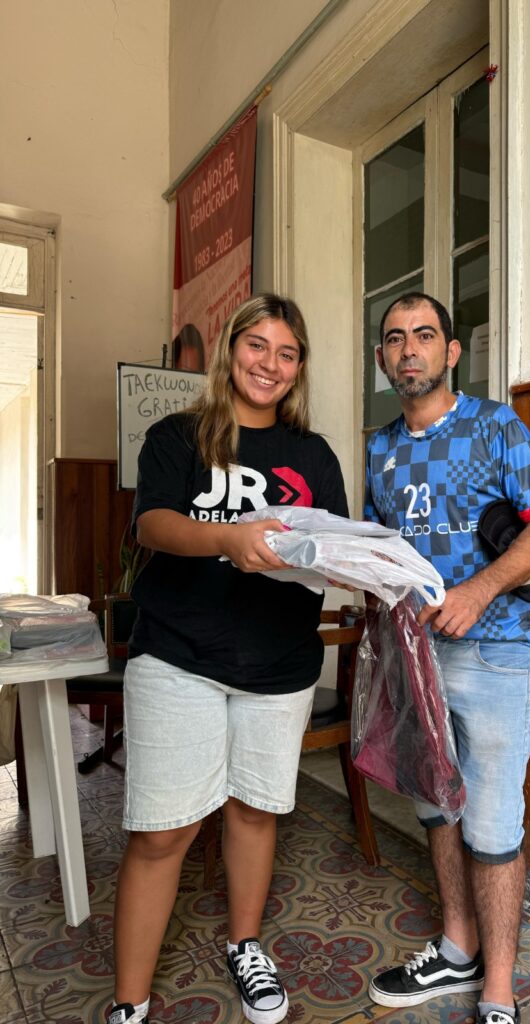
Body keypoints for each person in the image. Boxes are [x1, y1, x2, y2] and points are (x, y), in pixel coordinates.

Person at [109, 294, 349, 1024]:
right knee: (162, 832)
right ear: (229, 349)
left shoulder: (313, 455)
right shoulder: (178, 436)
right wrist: (227, 538)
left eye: (286, 353)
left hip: (278, 664)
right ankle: (130, 1002)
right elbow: (151, 522)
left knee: (254, 810)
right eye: (257, 346)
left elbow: (331, 544)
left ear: (299, 367)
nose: (269, 365)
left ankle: (245, 944)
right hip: (178, 654)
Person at [364, 293, 530, 1024]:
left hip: (495, 650)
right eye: (394, 339)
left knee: (492, 824)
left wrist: (477, 591)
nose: (409, 349)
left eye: (424, 336)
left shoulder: (494, 426)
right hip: (415, 655)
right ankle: (456, 949)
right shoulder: (379, 447)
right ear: (383, 358)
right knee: (435, 805)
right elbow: (379, 548)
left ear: (452, 351)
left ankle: (499, 992)